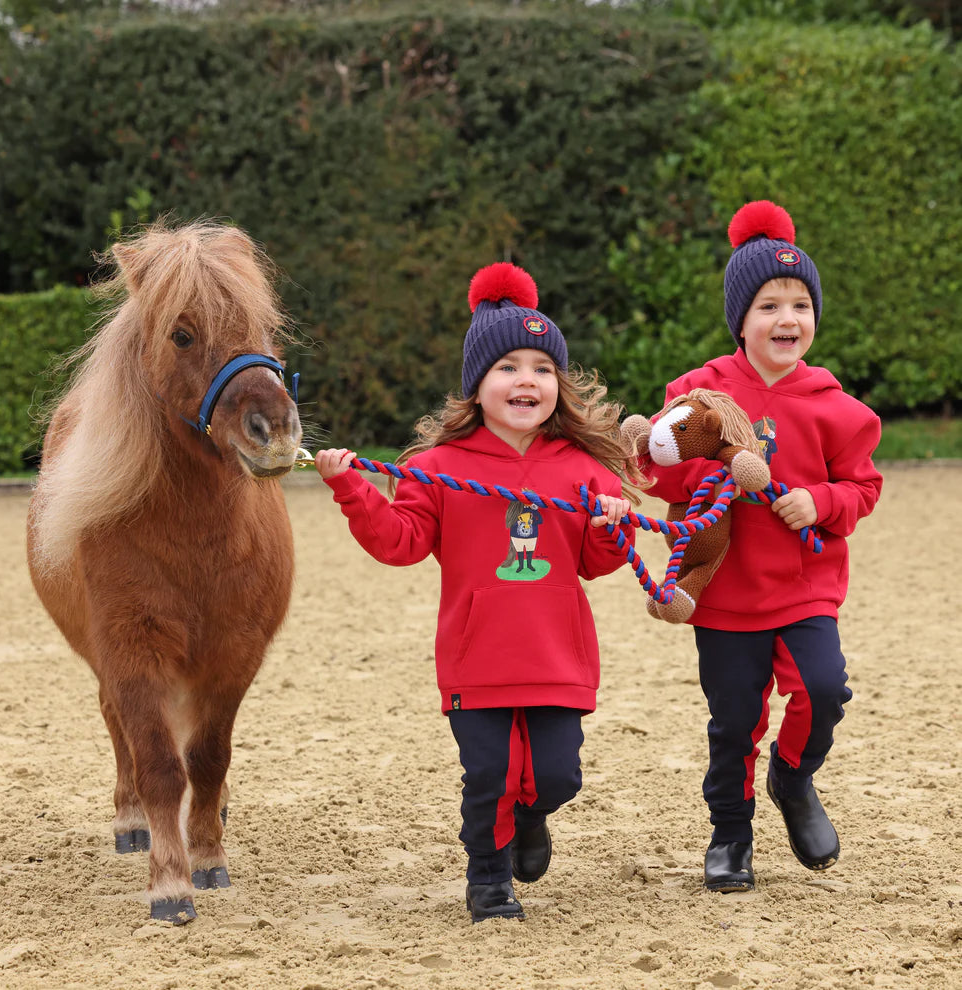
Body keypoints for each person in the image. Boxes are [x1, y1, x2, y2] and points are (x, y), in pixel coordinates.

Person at [315, 262, 646, 923]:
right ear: (477, 384)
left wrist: (614, 528)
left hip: (558, 657)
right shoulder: (437, 469)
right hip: (477, 660)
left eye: (542, 368)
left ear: (558, 384)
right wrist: (351, 487)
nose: (528, 379)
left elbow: (591, 562)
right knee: (488, 776)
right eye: (509, 367)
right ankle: (489, 881)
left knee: (556, 776)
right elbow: (400, 541)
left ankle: (532, 817)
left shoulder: (584, 470)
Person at [639, 200, 883, 893]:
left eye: (800, 304)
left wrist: (822, 500)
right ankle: (730, 834)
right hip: (725, 596)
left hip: (805, 589)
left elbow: (863, 487)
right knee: (734, 722)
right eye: (769, 304)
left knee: (824, 690)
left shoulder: (840, 407)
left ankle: (795, 777)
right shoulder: (697, 394)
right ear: (740, 319)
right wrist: (715, 472)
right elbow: (658, 471)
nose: (787, 319)